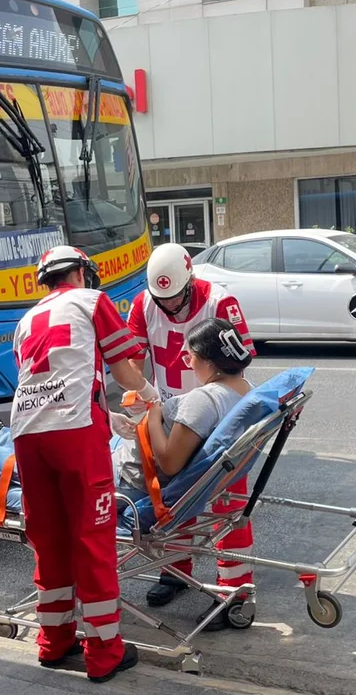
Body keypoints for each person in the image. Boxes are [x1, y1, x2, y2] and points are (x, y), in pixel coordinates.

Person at [0, 320, 255, 629]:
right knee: (71, 437)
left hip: (126, 481)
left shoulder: (204, 402)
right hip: (131, 466)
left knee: (53, 461)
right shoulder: (244, 393)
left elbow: (170, 462)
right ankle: (1, 440)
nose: (187, 363)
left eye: (190, 356)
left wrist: (153, 414)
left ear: (208, 360)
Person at [1, 245, 156, 682]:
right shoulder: (92, 302)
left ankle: (53, 642)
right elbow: (123, 372)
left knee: (49, 539)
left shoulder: (26, 320)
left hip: (28, 433)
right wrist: (151, 397)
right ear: (82, 273)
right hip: (75, 432)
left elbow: (41, 376)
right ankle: (104, 652)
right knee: (92, 538)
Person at [125, 242, 258, 613]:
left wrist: (206, 401)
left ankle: (236, 585)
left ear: (190, 281)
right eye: (160, 300)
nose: (168, 308)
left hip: (210, 410)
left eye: (176, 300)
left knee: (228, 503)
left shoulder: (220, 302)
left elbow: (238, 360)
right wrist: (146, 395)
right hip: (170, 409)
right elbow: (132, 360)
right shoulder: (143, 304)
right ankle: (174, 572)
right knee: (174, 501)